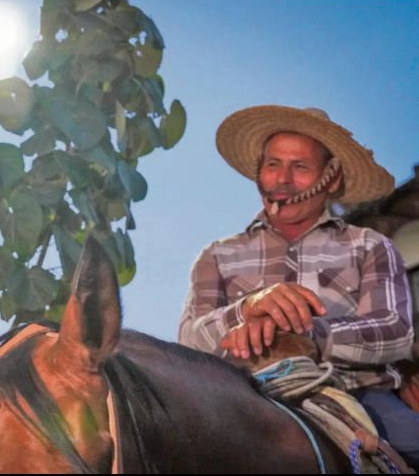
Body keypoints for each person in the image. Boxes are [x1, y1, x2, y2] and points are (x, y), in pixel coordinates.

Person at [178, 105, 418, 468]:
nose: (283, 180)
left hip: (359, 392)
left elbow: (394, 329)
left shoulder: (369, 246)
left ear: (331, 178)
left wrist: (308, 334)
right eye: (273, 165)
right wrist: (244, 311)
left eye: (300, 167)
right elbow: (188, 341)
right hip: (240, 395)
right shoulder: (217, 255)